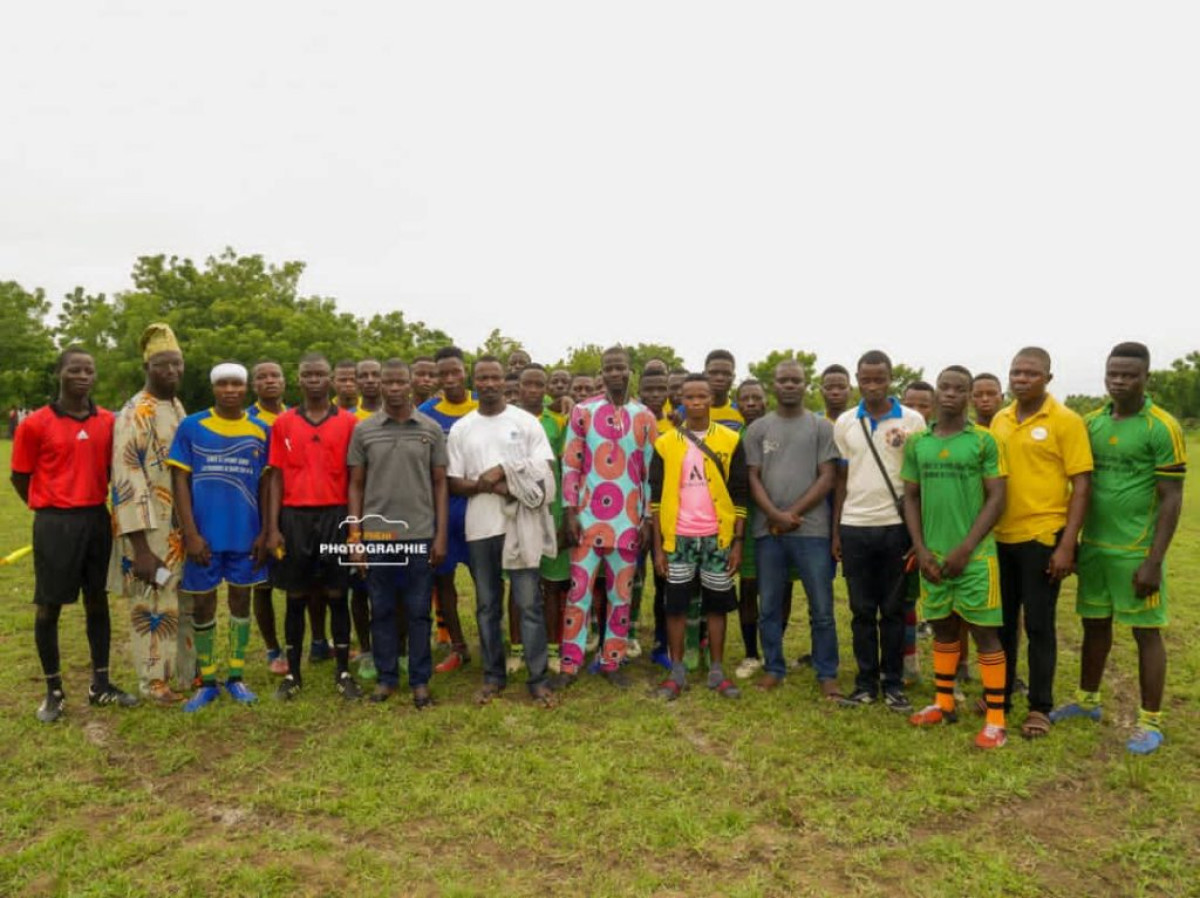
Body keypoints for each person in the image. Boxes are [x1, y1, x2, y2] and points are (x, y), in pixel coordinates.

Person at [1050, 343, 1186, 755]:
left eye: (1129, 375)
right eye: (1113, 373)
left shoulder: (1162, 427)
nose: (1119, 381)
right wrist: (1071, 540)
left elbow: (1172, 498)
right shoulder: (1090, 423)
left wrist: (1154, 561)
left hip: (1135, 551)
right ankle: (1087, 701)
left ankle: (1150, 721)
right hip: (1094, 548)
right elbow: (1079, 485)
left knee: (1146, 633)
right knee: (1094, 625)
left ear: (1146, 377)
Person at [11, 347, 137, 722]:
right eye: (75, 370)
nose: (83, 376)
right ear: (60, 374)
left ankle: (101, 684)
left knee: (97, 601)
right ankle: (53, 691)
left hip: (97, 518)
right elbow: (20, 476)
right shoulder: (35, 423)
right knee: (49, 605)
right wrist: (49, 508)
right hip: (54, 522)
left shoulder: (108, 421)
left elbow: (117, 471)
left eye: (88, 370)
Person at [902, 366, 1010, 749]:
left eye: (958, 389)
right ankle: (944, 703)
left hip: (975, 557)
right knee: (943, 628)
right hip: (932, 557)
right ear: (935, 392)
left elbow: (997, 497)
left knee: (984, 634)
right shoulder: (918, 443)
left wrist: (966, 548)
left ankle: (996, 721)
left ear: (968, 395)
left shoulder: (984, 440)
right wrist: (920, 548)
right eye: (944, 387)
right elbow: (910, 497)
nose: (950, 393)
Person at [990, 346, 1092, 739]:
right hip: (1000, 536)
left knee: (1038, 624)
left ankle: (1039, 706)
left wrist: (1067, 544)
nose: (1021, 379)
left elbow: (1081, 484)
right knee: (1001, 623)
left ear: (1048, 378)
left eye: (1031, 373)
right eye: (1016, 372)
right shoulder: (1000, 419)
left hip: (1043, 536)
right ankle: (999, 696)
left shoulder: (1066, 421)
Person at [448, 356, 557, 706]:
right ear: (474, 382)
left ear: (504, 382)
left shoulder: (525, 422)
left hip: (520, 524)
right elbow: (454, 481)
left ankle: (538, 679)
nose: (489, 383)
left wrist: (501, 471)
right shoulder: (463, 428)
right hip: (480, 528)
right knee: (487, 605)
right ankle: (493, 676)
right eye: (482, 378)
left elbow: (545, 466)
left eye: (495, 377)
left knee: (529, 603)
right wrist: (496, 487)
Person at [168, 363, 270, 711]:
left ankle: (236, 676)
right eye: (223, 384)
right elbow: (179, 480)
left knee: (241, 600)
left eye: (236, 384)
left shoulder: (260, 429)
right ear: (213, 388)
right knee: (203, 604)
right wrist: (191, 533)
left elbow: (267, 484)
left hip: (245, 534)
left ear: (246, 388)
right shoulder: (192, 426)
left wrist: (265, 531)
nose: (230, 390)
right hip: (204, 537)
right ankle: (208, 681)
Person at [347, 359, 448, 708]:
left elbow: (440, 483)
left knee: (418, 610)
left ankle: (420, 681)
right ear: (379, 385)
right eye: (387, 382)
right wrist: (355, 537)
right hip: (378, 536)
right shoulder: (364, 430)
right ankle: (387, 678)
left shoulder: (430, 429)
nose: (393, 388)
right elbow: (356, 485)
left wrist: (440, 535)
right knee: (382, 609)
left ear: (410, 384)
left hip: (420, 533)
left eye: (399, 381)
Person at [555, 346, 657, 689]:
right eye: (609, 368)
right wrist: (570, 511)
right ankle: (569, 665)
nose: (615, 373)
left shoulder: (645, 417)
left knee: (620, 596)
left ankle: (612, 662)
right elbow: (571, 464)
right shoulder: (583, 411)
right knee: (578, 593)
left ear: (630, 371)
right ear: (602, 373)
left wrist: (646, 519)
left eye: (620, 367)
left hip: (628, 522)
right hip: (587, 520)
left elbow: (648, 474)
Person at [264, 353, 362, 701]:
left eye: (321, 374)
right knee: (296, 596)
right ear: (299, 379)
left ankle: (343, 672)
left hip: (336, 515)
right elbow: (276, 477)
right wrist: (273, 527)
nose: (315, 379)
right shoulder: (283, 423)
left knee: (337, 594)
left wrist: (354, 530)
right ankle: (293, 674)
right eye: (308, 374)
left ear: (331, 378)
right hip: (295, 518)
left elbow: (355, 479)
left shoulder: (349, 423)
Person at [832, 350, 926, 712]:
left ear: (890, 380)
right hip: (855, 527)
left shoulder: (913, 420)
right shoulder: (845, 422)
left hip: (896, 528)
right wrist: (836, 531)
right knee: (861, 610)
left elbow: (918, 483)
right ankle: (865, 683)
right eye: (866, 379)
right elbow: (841, 479)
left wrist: (918, 537)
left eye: (879, 379)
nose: (872, 386)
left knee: (893, 610)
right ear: (857, 379)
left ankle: (894, 684)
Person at [743, 362, 840, 696]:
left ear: (805, 384)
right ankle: (773, 668)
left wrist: (792, 513)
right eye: (783, 380)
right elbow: (753, 476)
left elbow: (828, 476)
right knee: (769, 605)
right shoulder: (758, 429)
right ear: (773, 384)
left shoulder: (820, 426)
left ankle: (827, 673)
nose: (789, 385)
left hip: (812, 531)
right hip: (768, 531)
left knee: (822, 608)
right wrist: (774, 514)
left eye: (795, 380)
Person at [650, 374, 748, 701]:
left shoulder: (731, 440)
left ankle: (717, 670)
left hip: (717, 538)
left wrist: (737, 543)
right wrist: (658, 549)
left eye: (702, 396)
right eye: (689, 397)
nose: (695, 402)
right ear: (680, 399)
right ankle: (677, 670)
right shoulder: (665, 443)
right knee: (676, 606)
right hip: (678, 537)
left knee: (717, 605)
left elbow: (739, 494)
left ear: (711, 398)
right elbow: (655, 500)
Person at [110, 323, 192, 703]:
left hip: (178, 527)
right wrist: (141, 550)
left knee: (177, 599)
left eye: (177, 363)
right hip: (148, 532)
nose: (172, 371)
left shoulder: (175, 406)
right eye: (163, 364)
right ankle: (153, 683)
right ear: (147, 367)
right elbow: (126, 481)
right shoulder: (135, 413)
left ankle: (182, 674)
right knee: (153, 601)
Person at [418, 346, 479, 671]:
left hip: (481, 506)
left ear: (465, 370)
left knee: (486, 580)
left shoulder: (483, 405)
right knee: (444, 580)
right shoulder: (426, 413)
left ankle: (491, 639)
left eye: (455, 371)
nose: (450, 378)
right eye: (443, 374)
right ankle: (457, 646)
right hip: (441, 508)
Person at [248, 360, 289, 675]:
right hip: (256, 512)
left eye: (275, 375)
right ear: (254, 385)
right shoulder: (247, 421)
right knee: (261, 583)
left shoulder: (294, 417)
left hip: (293, 510)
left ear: (285, 381)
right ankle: (273, 648)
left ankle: (316, 641)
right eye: (262, 377)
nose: (269, 381)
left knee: (302, 582)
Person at [633, 365, 673, 667]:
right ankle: (626, 635)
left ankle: (662, 641)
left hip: (667, 515)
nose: (655, 395)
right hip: (631, 514)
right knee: (631, 579)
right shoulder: (629, 421)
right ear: (640, 391)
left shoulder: (677, 426)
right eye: (649, 389)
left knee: (665, 581)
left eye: (661, 389)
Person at [900, 381, 937, 686]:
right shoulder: (895, 437)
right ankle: (909, 663)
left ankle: (953, 671)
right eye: (910, 405)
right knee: (906, 599)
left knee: (943, 603)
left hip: (938, 531)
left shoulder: (939, 440)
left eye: (923, 405)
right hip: (902, 527)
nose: (916, 411)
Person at [733, 378, 769, 678]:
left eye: (756, 398)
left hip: (779, 524)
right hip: (746, 525)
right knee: (748, 588)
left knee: (779, 590)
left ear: (766, 400)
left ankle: (773, 650)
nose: (751, 403)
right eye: (745, 399)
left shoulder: (778, 432)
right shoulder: (735, 438)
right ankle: (750, 653)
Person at [703, 350, 745, 432]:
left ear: (733, 377)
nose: (720, 378)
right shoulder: (685, 412)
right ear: (704, 375)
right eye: (713, 373)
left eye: (726, 374)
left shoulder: (742, 412)